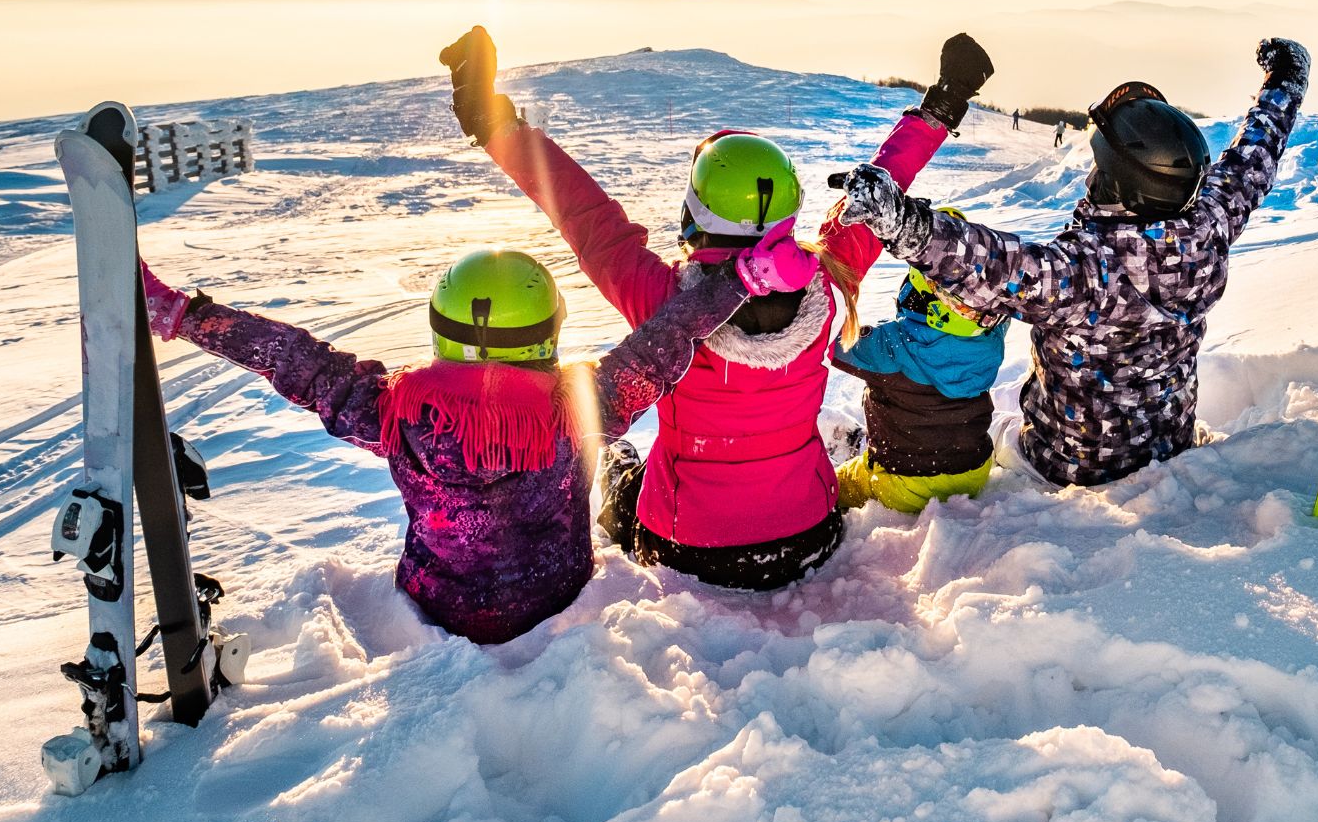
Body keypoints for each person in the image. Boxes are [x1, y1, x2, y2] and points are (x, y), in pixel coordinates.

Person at [441, 26, 994, 589]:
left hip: (688, 547)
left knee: (620, 469)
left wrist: (494, 125)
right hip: (809, 533)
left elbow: (584, 214)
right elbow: (880, 191)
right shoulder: (827, 283)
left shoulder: (662, 303)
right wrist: (942, 105)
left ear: (695, 212)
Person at [137, 233, 815, 643]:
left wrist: (185, 317)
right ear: (548, 330)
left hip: (441, 607)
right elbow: (665, 343)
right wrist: (742, 281)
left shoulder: (394, 411)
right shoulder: (578, 408)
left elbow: (295, 360)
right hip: (557, 598)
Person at [834, 37, 1309, 487]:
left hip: (1067, 464)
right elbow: (1253, 159)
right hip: (1169, 443)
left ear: (1117, 182)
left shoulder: (1085, 271)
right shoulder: (1210, 224)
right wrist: (1284, 82)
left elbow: (988, 264)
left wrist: (899, 221)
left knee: (991, 442)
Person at [833, 226, 1010, 513]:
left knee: (838, 485)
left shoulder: (890, 346)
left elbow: (834, 342)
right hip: (974, 471)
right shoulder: (989, 339)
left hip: (905, 484)